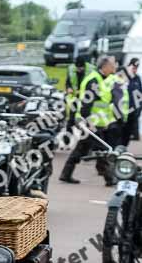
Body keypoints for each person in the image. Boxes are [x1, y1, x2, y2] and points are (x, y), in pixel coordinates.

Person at [59, 55, 128, 186]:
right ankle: (109, 178)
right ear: (105, 66)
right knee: (103, 149)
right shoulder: (94, 80)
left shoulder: (104, 79)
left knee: (83, 148)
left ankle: (66, 174)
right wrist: (87, 122)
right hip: (90, 123)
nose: (114, 67)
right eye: (112, 65)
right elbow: (86, 104)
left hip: (98, 122)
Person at [65, 57, 94, 126]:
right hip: (74, 97)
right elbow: (68, 82)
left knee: (85, 116)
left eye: (80, 68)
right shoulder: (71, 69)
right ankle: (68, 131)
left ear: (84, 66)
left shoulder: (91, 70)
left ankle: (86, 130)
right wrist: (68, 88)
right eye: (77, 68)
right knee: (71, 117)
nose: (78, 70)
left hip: (86, 97)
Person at [121, 58, 141, 145]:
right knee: (118, 135)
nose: (135, 69)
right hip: (121, 113)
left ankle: (123, 151)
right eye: (133, 67)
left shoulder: (137, 78)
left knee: (127, 136)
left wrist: (138, 111)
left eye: (136, 67)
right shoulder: (122, 76)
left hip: (133, 113)